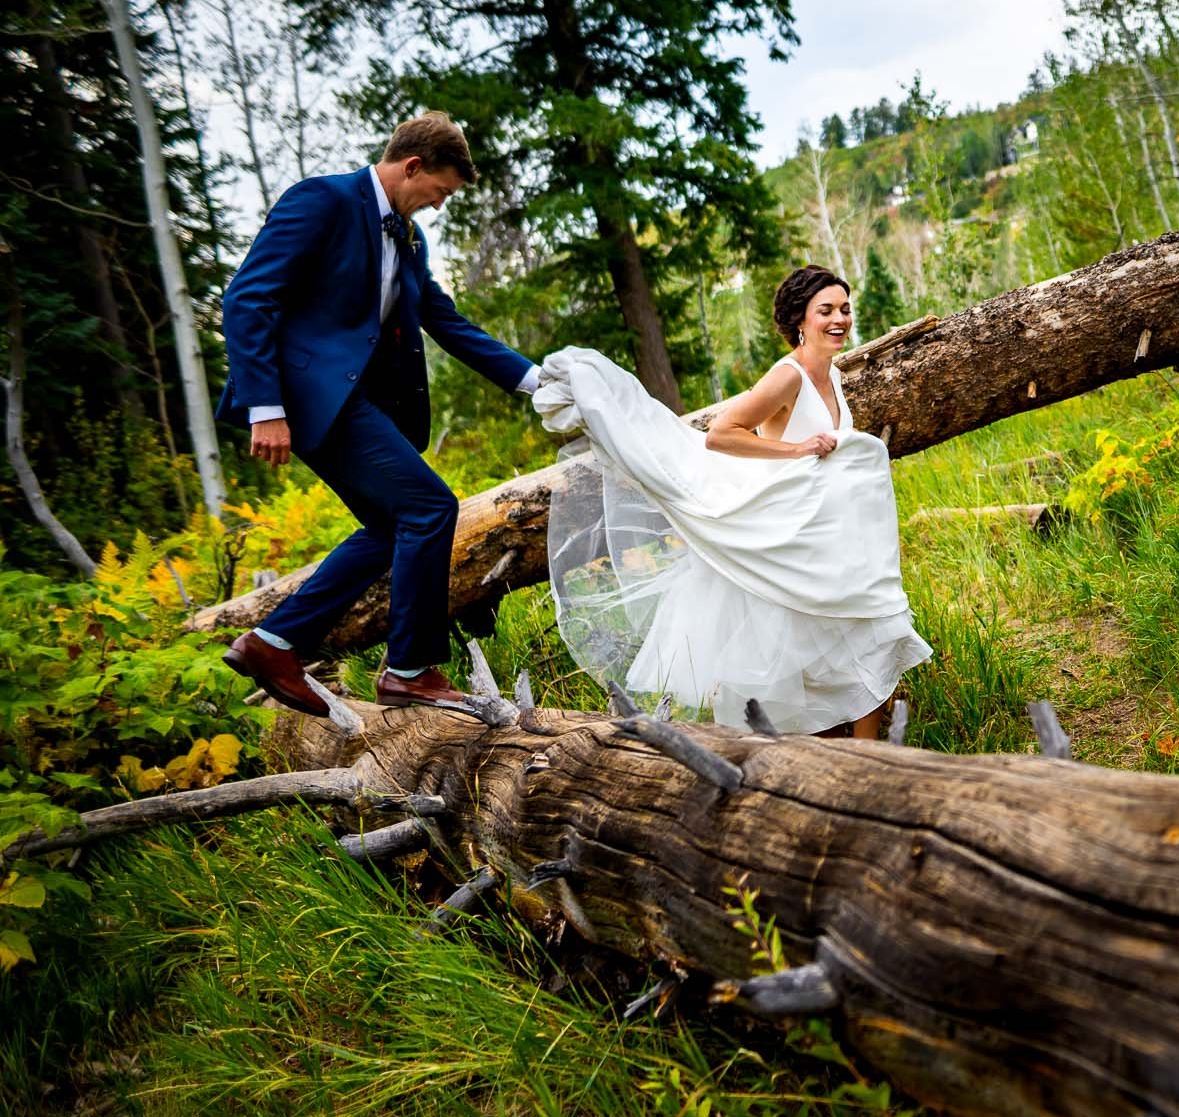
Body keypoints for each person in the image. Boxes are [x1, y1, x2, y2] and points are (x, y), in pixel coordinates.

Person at [215, 113, 542, 716]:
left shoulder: (408, 238)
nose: (439, 206)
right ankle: (410, 669)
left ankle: (273, 643)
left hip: (352, 402)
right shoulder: (322, 200)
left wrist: (536, 381)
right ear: (412, 167)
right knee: (430, 506)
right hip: (309, 396)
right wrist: (267, 407)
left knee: (392, 526)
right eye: (439, 192)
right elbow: (247, 297)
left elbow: (446, 323)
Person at [534, 266, 930, 737]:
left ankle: (869, 760)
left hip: (825, 539)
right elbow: (721, 435)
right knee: (813, 654)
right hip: (782, 537)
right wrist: (796, 449)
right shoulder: (788, 376)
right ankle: (809, 763)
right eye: (825, 310)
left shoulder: (835, 377)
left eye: (844, 309)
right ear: (800, 321)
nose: (839, 318)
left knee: (866, 636)